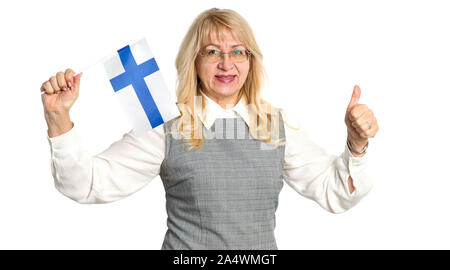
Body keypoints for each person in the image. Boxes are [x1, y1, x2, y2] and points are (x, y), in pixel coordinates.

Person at [40, 8, 379, 250]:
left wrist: (356, 143)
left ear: (251, 61)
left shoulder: (276, 128)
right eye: (212, 51)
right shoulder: (166, 127)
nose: (226, 63)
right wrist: (59, 119)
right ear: (195, 62)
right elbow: (86, 184)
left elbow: (338, 194)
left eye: (237, 52)